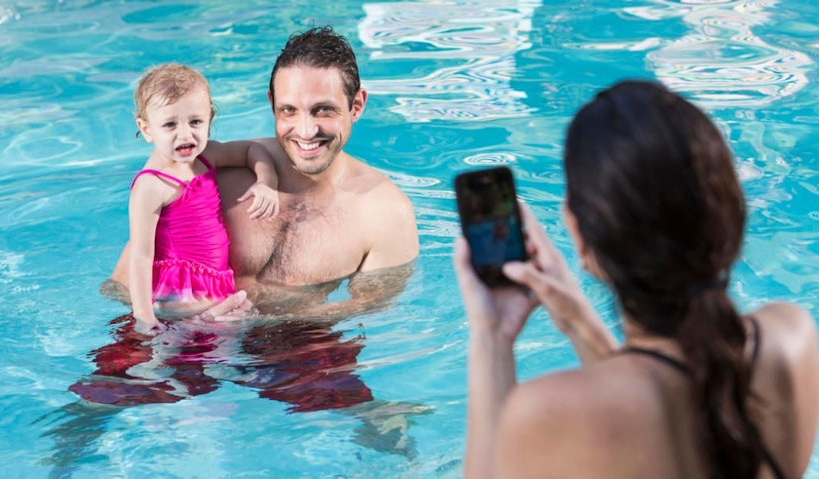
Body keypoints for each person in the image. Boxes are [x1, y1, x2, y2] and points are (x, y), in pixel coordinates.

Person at [454, 80, 818, 478]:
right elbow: (669, 401)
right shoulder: (789, 341)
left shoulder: (552, 411)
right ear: (728, 211)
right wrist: (577, 320)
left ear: (579, 235)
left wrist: (492, 335)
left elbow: (641, 402)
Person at [110, 26, 419, 318]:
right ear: (272, 104)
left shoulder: (387, 213)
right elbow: (122, 284)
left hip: (302, 351)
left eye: (323, 110)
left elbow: (369, 311)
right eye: (289, 110)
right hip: (175, 334)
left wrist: (252, 324)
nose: (306, 131)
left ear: (356, 105)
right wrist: (179, 320)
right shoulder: (207, 170)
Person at [109, 63, 280, 334]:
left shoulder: (206, 155)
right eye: (170, 124)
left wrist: (266, 182)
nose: (185, 134)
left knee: (222, 347)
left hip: (214, 282)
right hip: (178, 291)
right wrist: (144, 318)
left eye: (195, 122)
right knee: (216, 330)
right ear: (146, 129)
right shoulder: (151, 184)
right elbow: (141, 256)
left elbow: (252, 150)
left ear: (210, 119)